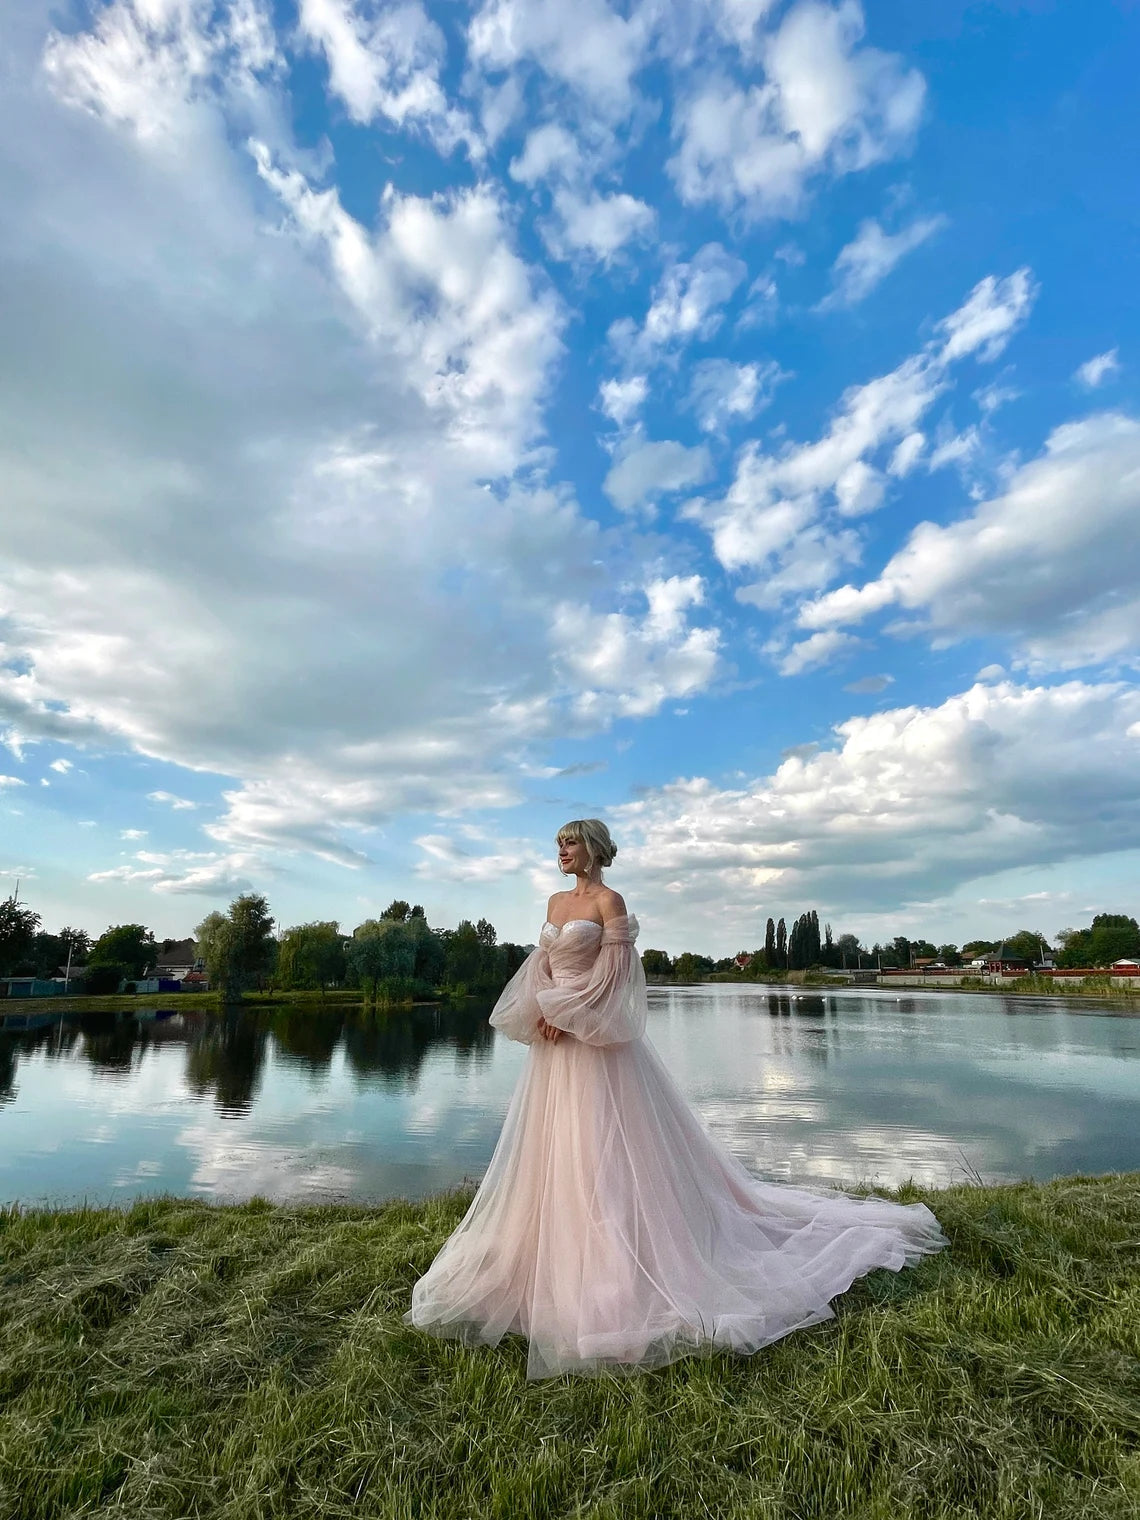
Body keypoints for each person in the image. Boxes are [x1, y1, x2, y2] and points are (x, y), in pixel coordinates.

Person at [404, 818, 948, 1380]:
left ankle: (619, 1266)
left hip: (595, 1046)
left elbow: (617, 980)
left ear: (592, 849)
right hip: (555, 1047)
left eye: (569, 843)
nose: (561, 853)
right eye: (557, 845)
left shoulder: (611, 902)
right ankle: (552, 1250)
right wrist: (542, 1011)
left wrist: (568, 1018)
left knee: (605, 1148)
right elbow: (541, 965)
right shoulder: (554, 901)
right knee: (555, 1147)